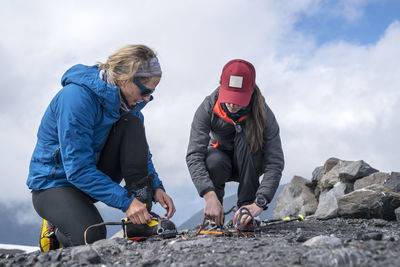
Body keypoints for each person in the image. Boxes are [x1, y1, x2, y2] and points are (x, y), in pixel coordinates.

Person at [27, 44, 176, 250]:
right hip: (55, 184)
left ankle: (139, 222)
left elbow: (140, 153)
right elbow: (78, 169)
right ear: (124, 79)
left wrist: (156, 187)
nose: (147, 98)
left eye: (152, 93)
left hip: (92, 175)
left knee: (132, 124)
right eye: (145, 91)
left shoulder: (130, 106)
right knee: (91, 237)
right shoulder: (77, 98)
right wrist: (127, 202)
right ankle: (55, 229)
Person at [186, 59, 284, 227]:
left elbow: (275, 161)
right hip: (221, 163)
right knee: (212, 159)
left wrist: (259, 202)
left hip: (251, 164)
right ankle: (215, 215)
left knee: (247, 141)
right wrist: (209, 195)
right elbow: (194, 154)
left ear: (251, 91)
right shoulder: (208, 107)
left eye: (238, 99)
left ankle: (246, 210)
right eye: (229, 97)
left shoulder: (264, 113)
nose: (232, 104)